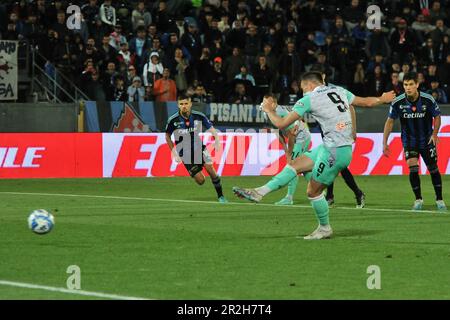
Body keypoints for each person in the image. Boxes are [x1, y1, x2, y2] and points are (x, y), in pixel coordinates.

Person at [233, 72, 395, 240]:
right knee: (295, 165)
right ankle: (259, 192)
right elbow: (366, 102)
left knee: (312, 191)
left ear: (309, 85)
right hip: (332, 146)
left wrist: (267, 110)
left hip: (335, 151)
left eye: (303, 88)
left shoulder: (309, 99)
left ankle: (324, 228)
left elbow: (281, 123)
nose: (302, 92)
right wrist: (382, 98)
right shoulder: (339, 90)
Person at [383, 72, 446, 211]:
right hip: (409, 141)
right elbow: (390, 121)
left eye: (411, 84)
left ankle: (439, 199)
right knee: (413, 168)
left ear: (417, 85)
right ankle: (418, 199)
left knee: (433, 169)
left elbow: (437, 116)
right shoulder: (398, 102)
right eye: (405, 85)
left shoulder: (427, 99)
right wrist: (384, 142)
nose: (408, 87)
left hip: (427, 140)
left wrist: (435, 134)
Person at [165, 94, 228, 203]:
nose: (184, 106)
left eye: (186, 103)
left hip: (199, 148)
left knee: (210, 169)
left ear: (190, 104)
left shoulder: (199, 116)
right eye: (181, 104)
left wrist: (217, 140)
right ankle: (196, 169)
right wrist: (174, 152)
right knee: (201, 181)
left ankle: (221, 196)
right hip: (185, 154)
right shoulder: (173, 120)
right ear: (178, 105)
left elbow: (211, 129)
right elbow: (167, 136)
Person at [271, 102, 311, 206]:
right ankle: (319, 190)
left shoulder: (280, 112)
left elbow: (292, 135)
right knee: (304, 168)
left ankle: (289, 198)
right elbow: (279, 134)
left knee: (293, 167)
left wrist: (289, 154)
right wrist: (286, 151)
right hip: (299, 137)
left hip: (301, 138)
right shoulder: (271, 115)